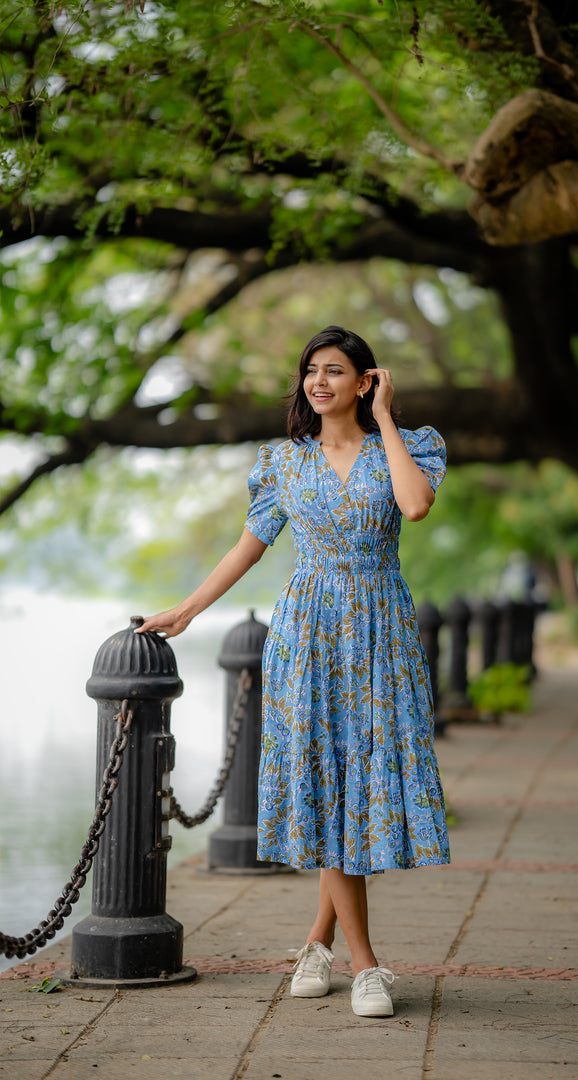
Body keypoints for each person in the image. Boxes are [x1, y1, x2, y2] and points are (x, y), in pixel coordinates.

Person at [136, 325, 450, 1017]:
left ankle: (317, 943)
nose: (319, 382)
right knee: (326, 783)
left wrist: (387, 419)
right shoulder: (283, 462)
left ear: (365, 381)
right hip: (308, 635)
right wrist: (188, 609)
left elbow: (416, 504)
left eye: (336, 370)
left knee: (358, 784)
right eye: (311, 370)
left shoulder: (405, 447)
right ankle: (365, 964)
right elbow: (249, 547)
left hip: (378, 635)